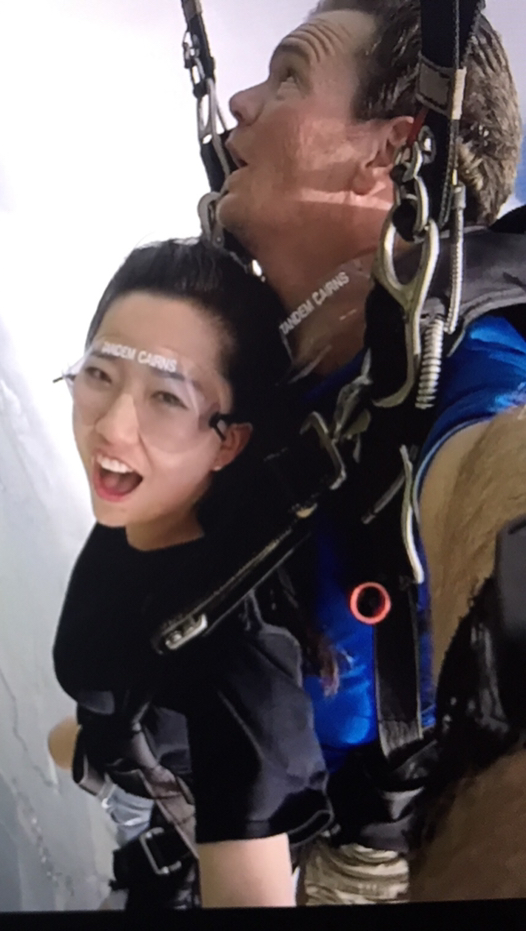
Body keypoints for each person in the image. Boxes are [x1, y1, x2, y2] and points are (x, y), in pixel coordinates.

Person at [209, 0, 526, 902]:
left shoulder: (470, 370)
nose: (239, 102)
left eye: (288, 77)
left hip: (350, 854)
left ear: (388, 151)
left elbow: (496, 471)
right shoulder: (271, 352)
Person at [49, 238, 334, 910]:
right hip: (136, 795)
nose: (113, 427)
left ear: (228, 440)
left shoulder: (238, 659)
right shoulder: (153, 506)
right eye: (101, 374)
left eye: (167, 399)